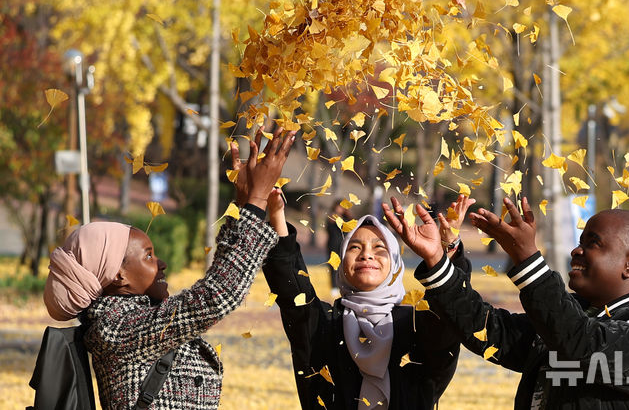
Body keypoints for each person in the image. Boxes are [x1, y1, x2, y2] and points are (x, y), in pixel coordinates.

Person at [43, 127, 296, 409]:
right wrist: (257, 200)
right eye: (149, 256)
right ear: (118, 275)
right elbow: (214, 297)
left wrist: (243, 204)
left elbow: (213, 289)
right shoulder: (114, 329)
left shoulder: (131, 318)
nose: (161, 263)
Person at [383, 196, 629, 410]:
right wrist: (439, 261)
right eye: (579, 242)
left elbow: (584, 345)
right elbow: (489, 331)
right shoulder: (568, 320)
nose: (576, 251)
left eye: (592, 243)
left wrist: (528, 261)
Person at [262, 194, 475, 410]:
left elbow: (451, 312)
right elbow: (291, 292)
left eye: (379, 248)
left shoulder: (415, 326)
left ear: (395, 265)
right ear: (342, 263)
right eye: (354, 247)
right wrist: (277, 212)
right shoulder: (323, 324)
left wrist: (447, 248)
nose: (366, 255)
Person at [326, 199, 352, 296]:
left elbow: (348, 229)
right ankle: (334, 287)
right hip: (333, 245)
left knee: (345, 265)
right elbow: (329, 230)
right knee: (333, 266)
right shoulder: (331, 217)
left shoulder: (347, 218)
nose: (339, 209)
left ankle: (345, 285)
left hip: (344, 245)